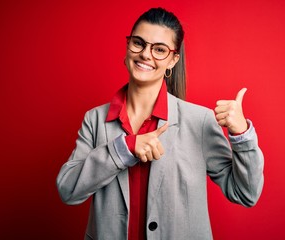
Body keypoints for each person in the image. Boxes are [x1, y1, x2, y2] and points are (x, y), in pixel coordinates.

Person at [56, 7, 264, 240]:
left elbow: (246, 193)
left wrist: (241, 135)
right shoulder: (94, 119)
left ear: (173, 60)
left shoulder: (199, 121)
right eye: (139, 43)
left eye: (159, 50)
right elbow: (68, 190)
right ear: (128, 47)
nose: (146, 54)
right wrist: (123, 149)